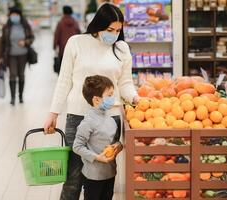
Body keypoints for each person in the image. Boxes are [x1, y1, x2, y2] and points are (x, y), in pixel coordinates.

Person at [44, 3, 140, 200]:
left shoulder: (121, 48)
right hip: (78, 116)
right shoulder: (76, 42)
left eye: (118, 30)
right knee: (74, 178)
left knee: (102, 176)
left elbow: (125, 83)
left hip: (110, 118)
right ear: (98, 25)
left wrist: (135, 98)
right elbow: (64, 80)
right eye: (109, 30)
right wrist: (53, 113)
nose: (113, 34)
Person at [73, 75, 123, 200]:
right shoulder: (88, 122)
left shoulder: (111, 120)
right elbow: (77, 146)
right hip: (93, 177)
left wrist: (118, 146)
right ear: (96, 100)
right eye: (110, 95)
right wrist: (97, 157)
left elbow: (116, 142)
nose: (113, 99)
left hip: (110, 173)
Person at [0, 6, 34, 105]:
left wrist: (25, 42)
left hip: (23, 55)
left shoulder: (25, 25)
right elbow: (2, 42)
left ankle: (21, 96)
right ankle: (13, 98)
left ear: (19, 15)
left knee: (21, 75)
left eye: (16, 15)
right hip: (11, 55)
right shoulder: (6, 27)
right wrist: (0, 56)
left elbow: (32, 38)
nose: (14, 16)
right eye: (12, 15)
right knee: (12, 75)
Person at [54, 6, 80, 74]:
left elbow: (57, 35)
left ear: (63, 12)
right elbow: (79, 34)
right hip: (74, 48)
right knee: (73, 67)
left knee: (64, 68)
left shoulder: (60, 23)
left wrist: (54, 46)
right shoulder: (75, 22)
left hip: (63, 49)